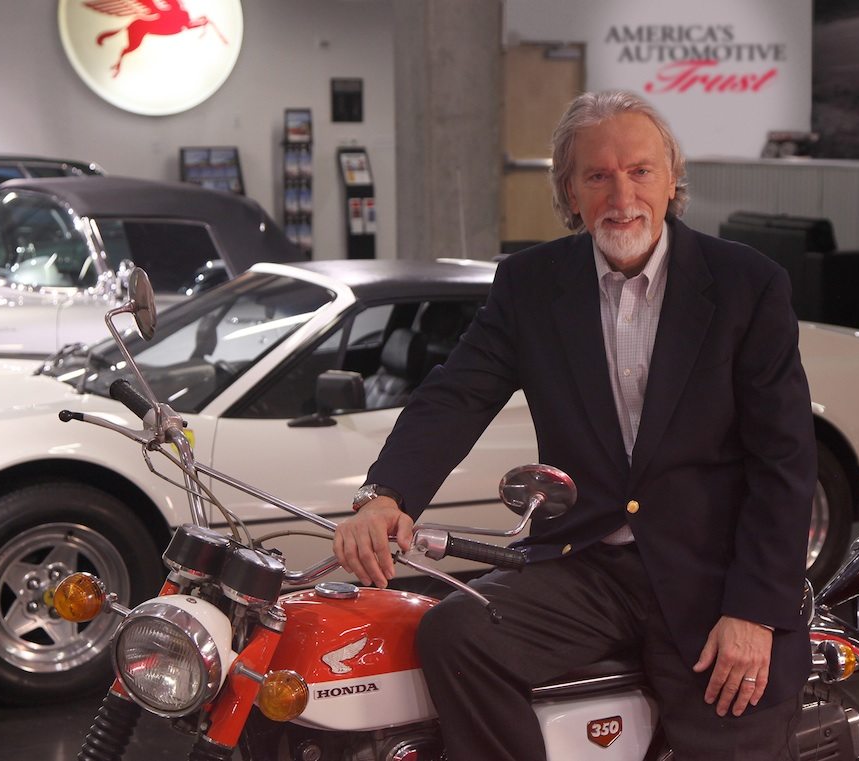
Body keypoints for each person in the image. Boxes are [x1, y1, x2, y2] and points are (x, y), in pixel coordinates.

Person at [334, 90, 816, 760]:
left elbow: (784, 461)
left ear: (671, 178)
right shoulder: (531, 284)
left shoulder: (746, 284)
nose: (622, 196)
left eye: (640, 171)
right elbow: (455, 395)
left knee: (731, 733)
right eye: (597, 176)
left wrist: (755, 610)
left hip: (714, 574)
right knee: (456, 634)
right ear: (569, 191)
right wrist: (385, 495)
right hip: (586, 566)